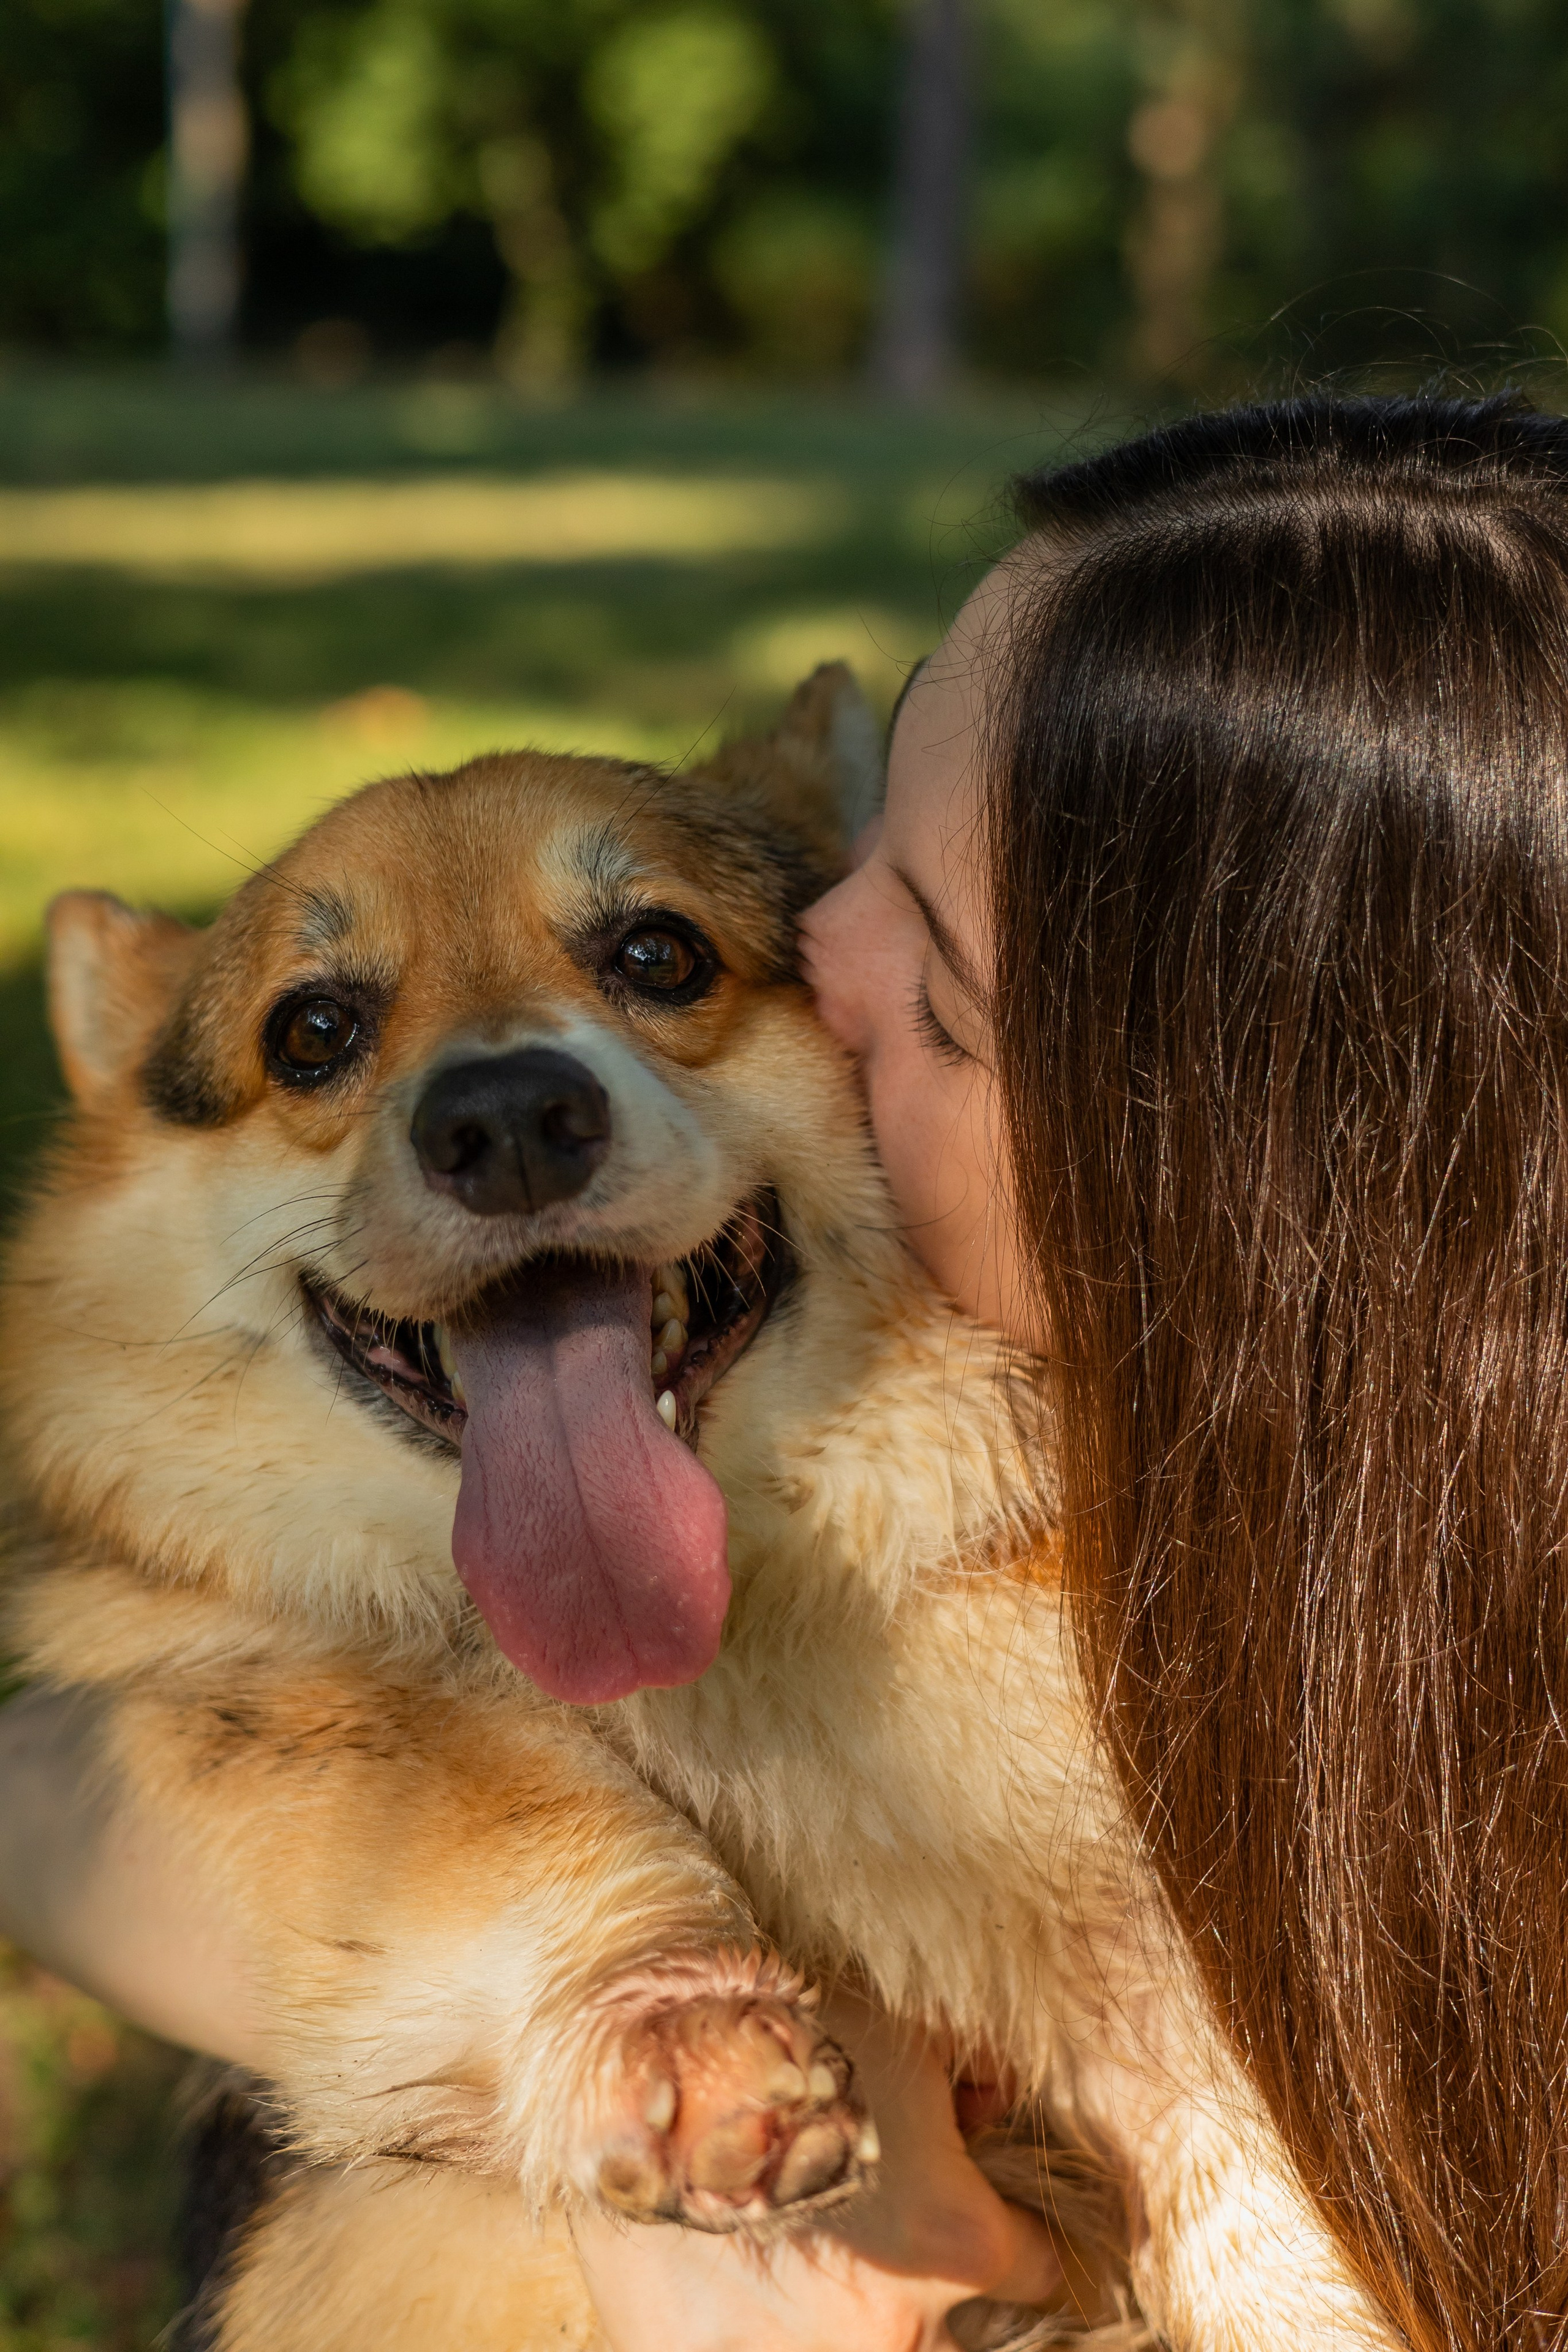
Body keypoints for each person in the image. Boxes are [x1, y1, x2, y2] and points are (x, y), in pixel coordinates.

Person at [8, 386, 1568, 2349]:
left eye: (663, 962)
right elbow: (94, 1777)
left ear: (1217, 1166)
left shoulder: (1339, 1666)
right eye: (322, 1035)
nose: (818, 940)